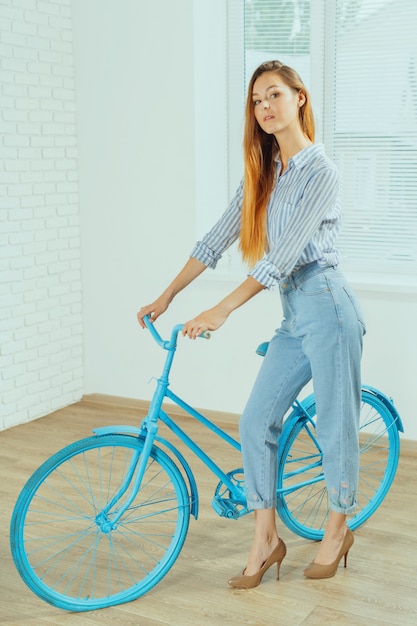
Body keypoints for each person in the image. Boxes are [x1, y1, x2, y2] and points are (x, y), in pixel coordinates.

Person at [137, 60, 365, 588]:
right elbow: (215, 240)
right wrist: (167, 294)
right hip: (293, 313)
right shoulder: (264, 174)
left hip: (329, 307)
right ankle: (266, 538)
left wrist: (223, 308)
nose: (264, 107)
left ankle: (337, 525)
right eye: (256, 101)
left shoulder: (321, 172)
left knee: (335, 424)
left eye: (274, 95)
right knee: (254, 420)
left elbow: (281, 258)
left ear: (299, 99)